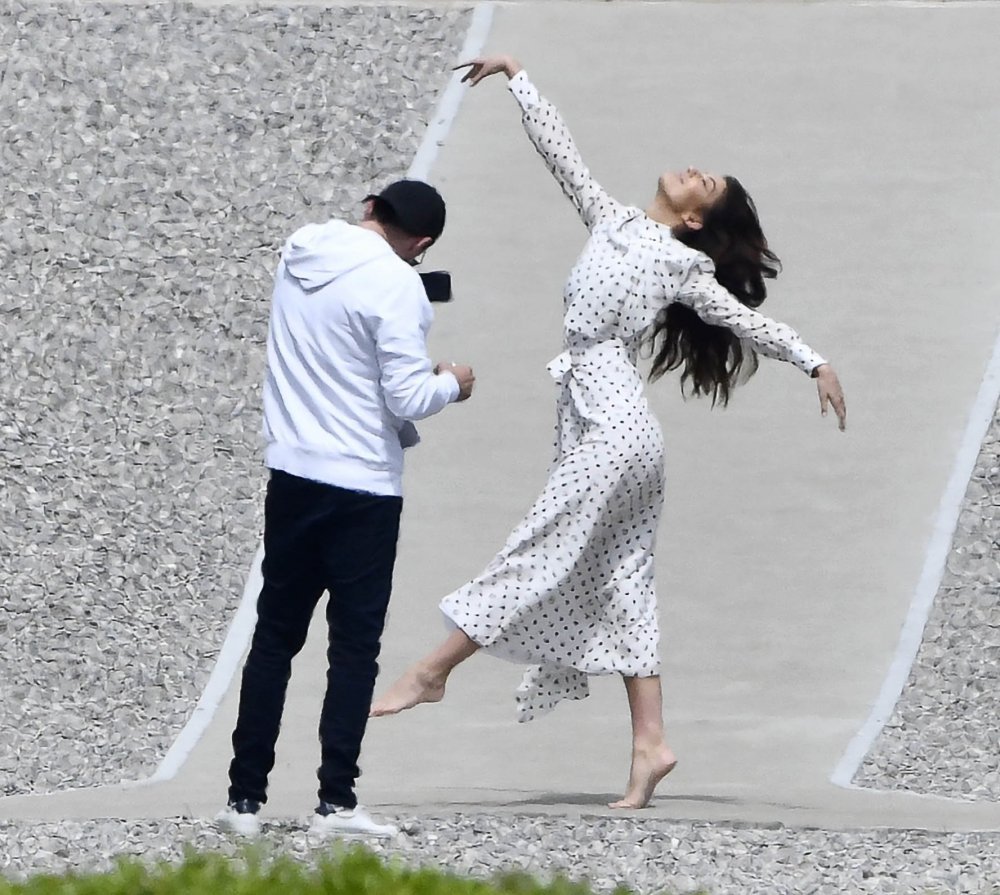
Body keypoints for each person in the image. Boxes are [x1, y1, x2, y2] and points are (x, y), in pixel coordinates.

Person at [370, 56, 847, 810]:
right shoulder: (614, 218)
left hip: (614, 430)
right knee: (624, 583)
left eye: (707, 183)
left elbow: (744, 320)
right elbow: (561, 152)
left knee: (542, 548)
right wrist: (518, 76)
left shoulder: (683, 266)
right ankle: (651, 745)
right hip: (612, 425)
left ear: (694, 218)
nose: (695, 170)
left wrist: (813, 360)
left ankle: (434, 670)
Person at [215, 179, 475, 838]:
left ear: (369, 209)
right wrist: (453, 383)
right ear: (422, 243)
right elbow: (409, 395)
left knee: (275, 637)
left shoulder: (300, 248)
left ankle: (243, 801)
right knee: (353, 649)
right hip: (363, 486)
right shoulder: (399, 286)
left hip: (294, 472)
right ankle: (336, 801)